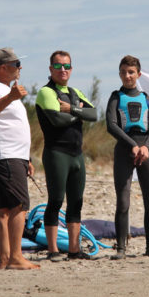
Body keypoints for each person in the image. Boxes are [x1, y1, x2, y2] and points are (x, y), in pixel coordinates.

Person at [0, 47, 40, 270]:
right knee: (19, 205)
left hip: (13, 155)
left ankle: (4, 257)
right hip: (5, 155)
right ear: (2, 67)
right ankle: (15, 256)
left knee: (4, 208)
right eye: (16, 65)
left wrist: (27, 159)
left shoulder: (2, 89)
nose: (19, 68)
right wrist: (10, 97)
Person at [35, 51, 98, 261]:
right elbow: (56, 120)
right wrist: (78, 113)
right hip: (56, 153)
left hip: (76, 155)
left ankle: (74, 249)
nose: (63, 70)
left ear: (71, 68)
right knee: (55, 201)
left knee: (76, 202)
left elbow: (94, 114)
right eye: (58, 66)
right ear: (50, 68)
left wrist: (71, 109)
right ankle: (52, 250)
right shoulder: (46, 92)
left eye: (67, 66)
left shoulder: (74, 91)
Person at [106, 55, 149, 260]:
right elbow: (111, 125)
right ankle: (121, 248)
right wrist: (132, 146)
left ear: (138, 74)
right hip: (124, 150)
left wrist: (146, 146)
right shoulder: (115, 97)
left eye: (131, 72)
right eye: (123, 72)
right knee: (123, 201)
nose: (127, 76)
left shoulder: (147, 99)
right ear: (120, 74)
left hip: (147, 150)